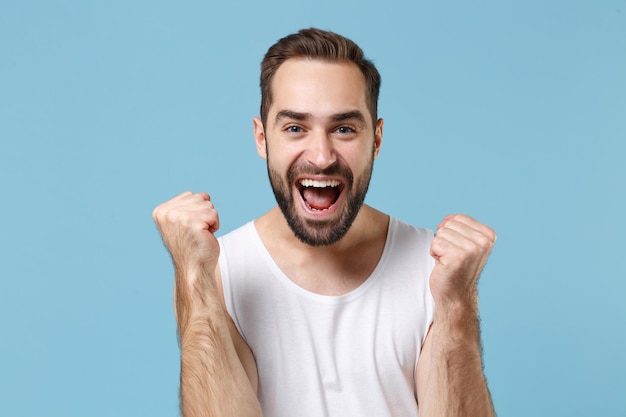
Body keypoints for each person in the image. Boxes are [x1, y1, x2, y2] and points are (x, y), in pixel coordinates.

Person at [152, 28, 497, 417]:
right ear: (262, 138)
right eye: (295, 128)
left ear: (377, 140)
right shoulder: (219, 270)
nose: (320, 156)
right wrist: (194, 277)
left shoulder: (434, 268)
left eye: (344, 128)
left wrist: (456, 304)